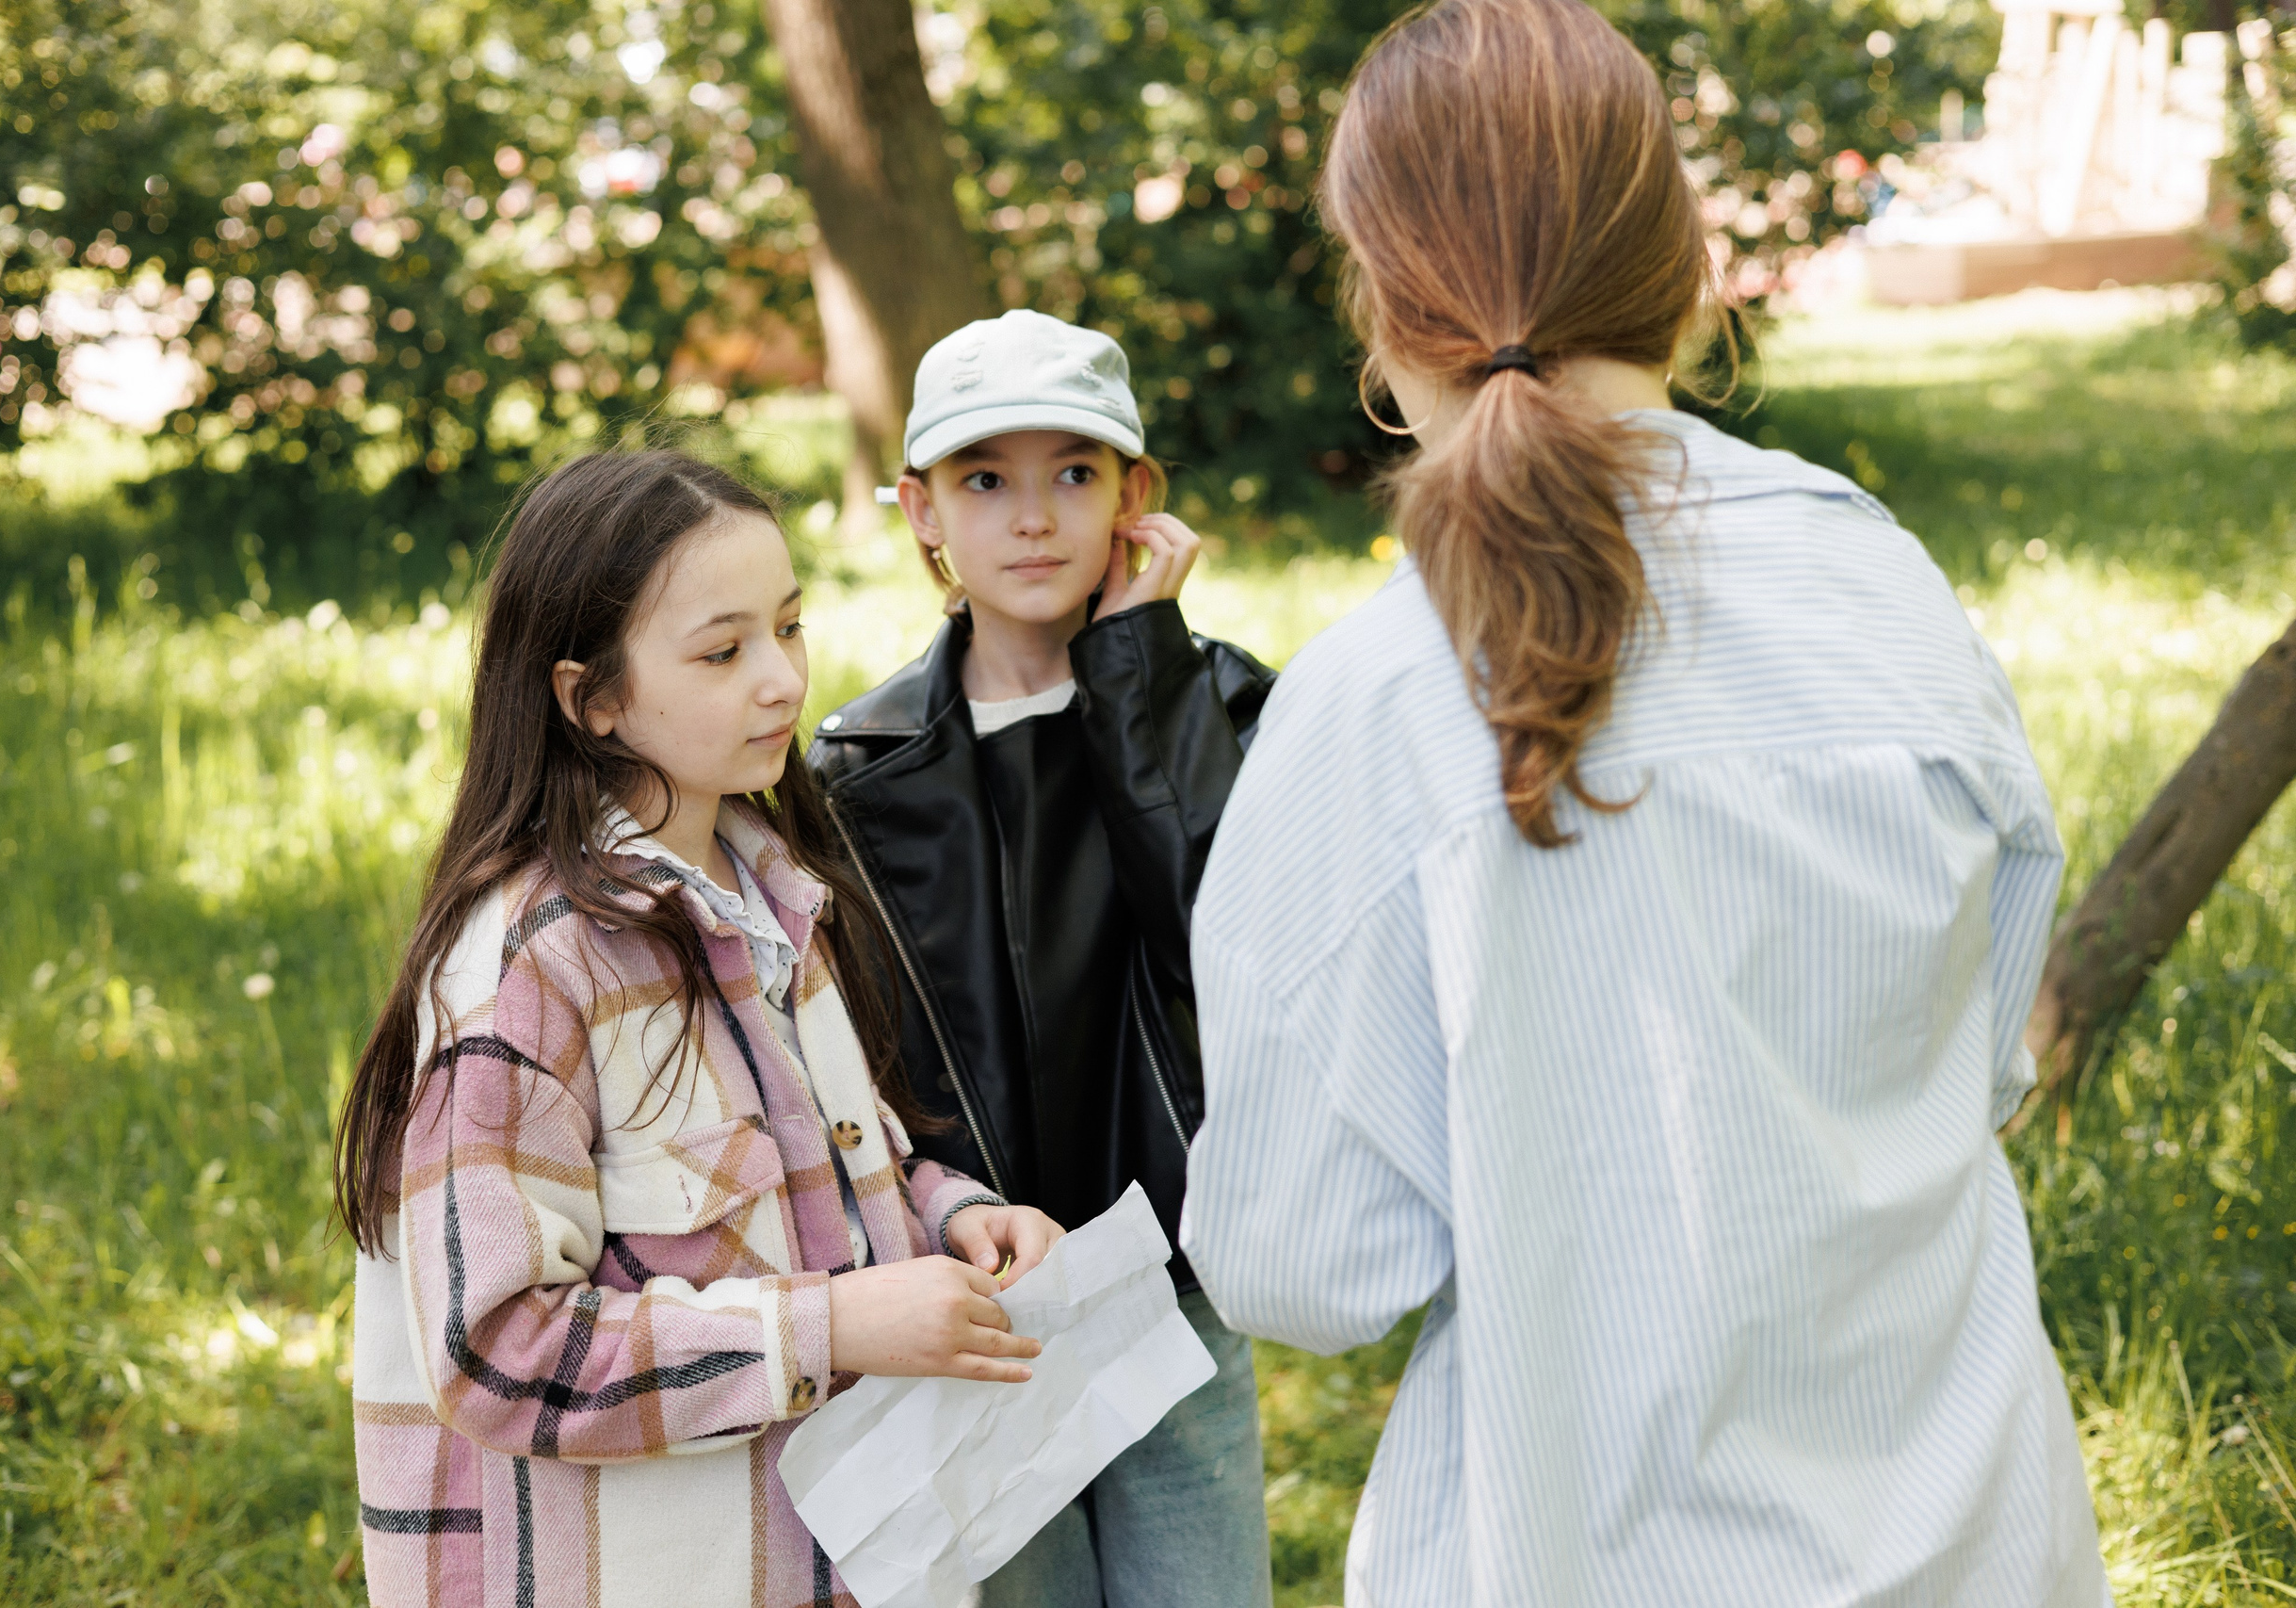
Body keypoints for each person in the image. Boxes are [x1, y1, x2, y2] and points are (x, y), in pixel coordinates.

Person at [1177, 1, 2110, 1604]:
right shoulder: (1880, 585)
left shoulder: (1375, 699)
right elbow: (1982, 1051)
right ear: (1679, 266)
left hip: (1586, 1545)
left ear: (1385, 303)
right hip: (1978, 1534)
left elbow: (1302, 1265)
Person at [333, 448, 1067, 1608]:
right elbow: (496, 1351)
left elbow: (836, 1158)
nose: (781, 681)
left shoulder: (773, 891)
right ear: (592, 699)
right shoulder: (530, 974)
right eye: (724, 652)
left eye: (788, 627)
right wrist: (830, 1328)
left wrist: (952, 1216)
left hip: (848, 1555)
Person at [809, 309, 1274, 1608]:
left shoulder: (1219, 704)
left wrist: (1140, 671)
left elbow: (1212, 936)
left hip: (1170, 1271)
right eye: (984, 479)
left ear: (1139, 496)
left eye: (1074, 472)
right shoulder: (856, 769)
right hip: (983, 1298)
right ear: (920, 510)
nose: (1032, 516)